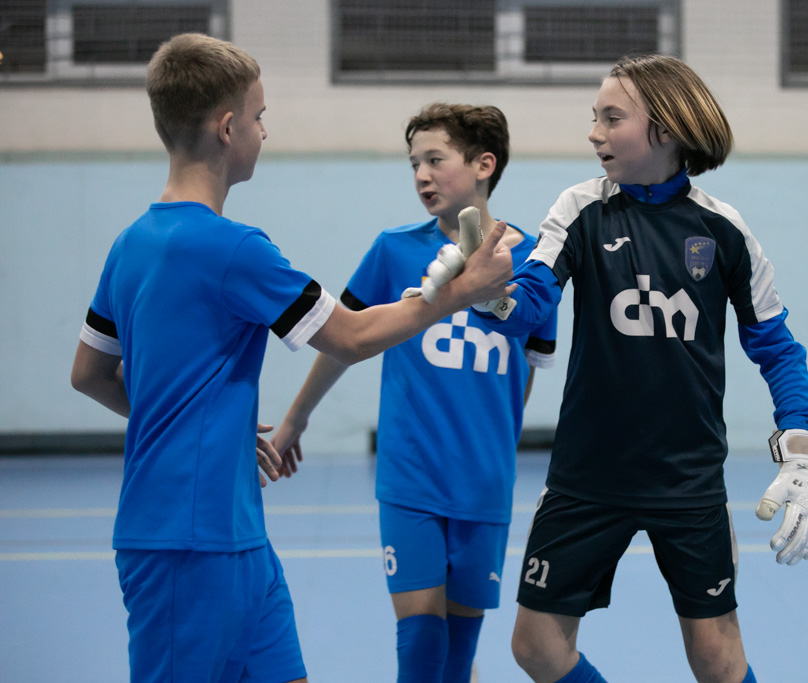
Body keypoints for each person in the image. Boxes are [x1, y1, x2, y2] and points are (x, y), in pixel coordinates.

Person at [69, 34, 513, 683]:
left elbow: (88, 374)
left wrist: (191, 420)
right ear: (227, 129)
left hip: (241, 536)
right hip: (183, 539)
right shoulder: (235, 248)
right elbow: (351, 336)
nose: (265, 131)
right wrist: (460, 292)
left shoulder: (129, 243)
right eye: (259, 116)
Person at [471, 54, 808, 683]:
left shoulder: (724, 230)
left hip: (687, 479)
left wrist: (799, 453)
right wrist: (490, 296)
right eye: (595, 117)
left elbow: (776, 346)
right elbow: (532, 301)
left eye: (612, 118)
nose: (594, 133)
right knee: (536, 646)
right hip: (587, 475)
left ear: (665, 127)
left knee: (716, 659)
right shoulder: (580, 207)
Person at [270, 102, 558, 683]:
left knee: (457, 654)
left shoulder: (534, 262)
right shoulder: (393, 250)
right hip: (411, 474)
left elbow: (526, 368)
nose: (422, 175)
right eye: (414, 164)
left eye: (435, 160)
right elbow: (343, 342)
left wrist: (494, 439)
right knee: (422, 641)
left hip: (483, 481)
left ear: (483, 164)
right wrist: (296, 418)